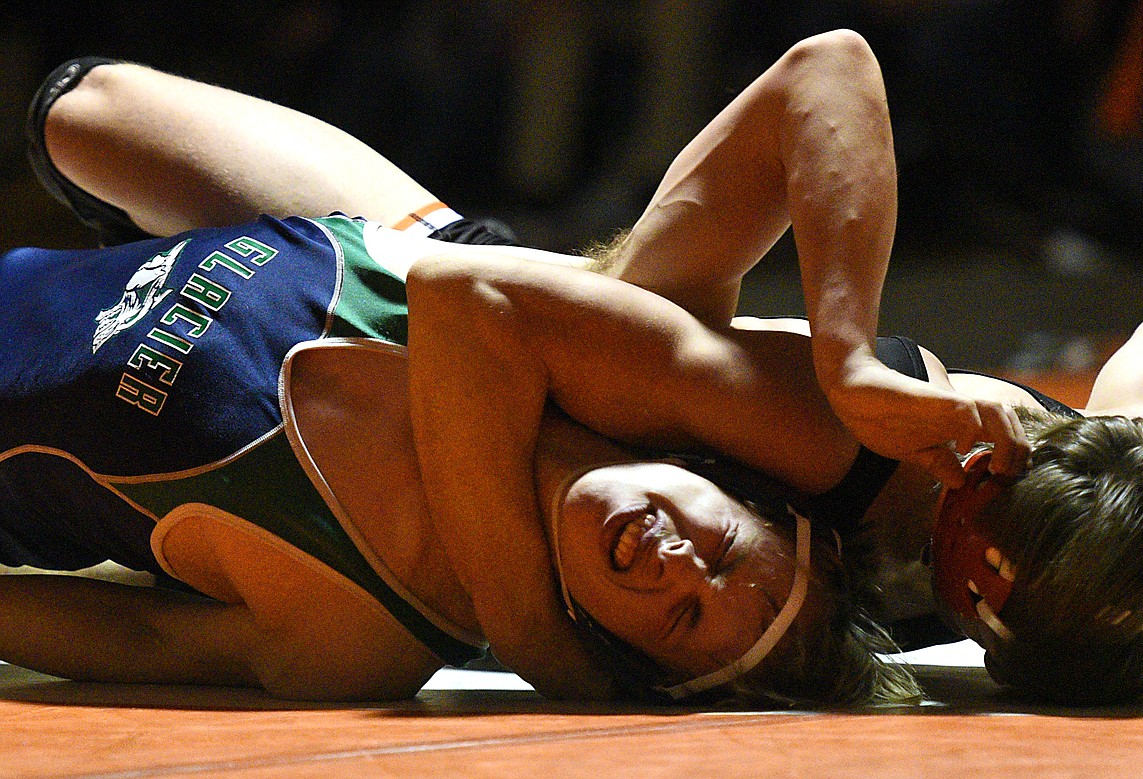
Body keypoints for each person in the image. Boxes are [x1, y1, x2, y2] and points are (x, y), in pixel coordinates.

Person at [1, 31, 964, 706]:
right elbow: (827, 67)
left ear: (618, 653)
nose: (677, 566)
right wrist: (846, 362)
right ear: (730, 486)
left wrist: (542, 645)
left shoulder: (356, 641)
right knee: (82, 105)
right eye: (719, 553)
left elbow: (135, 640)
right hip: (456, 282)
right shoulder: (620, 351)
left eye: (678, 617)